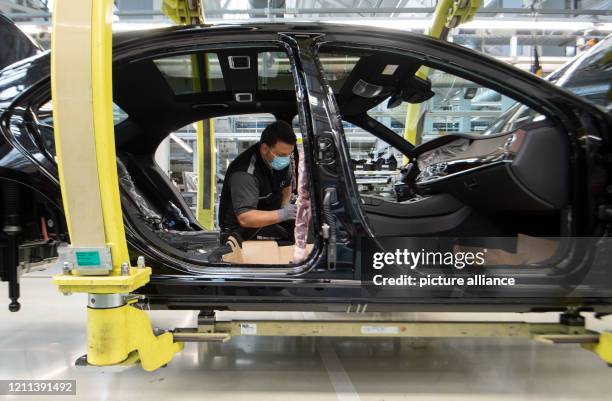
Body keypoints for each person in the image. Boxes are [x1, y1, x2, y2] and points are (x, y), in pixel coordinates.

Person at [219, 120, 297, 242]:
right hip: (240, 232)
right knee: (289, 241)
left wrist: (285, 206)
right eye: (282, 155)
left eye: (289, 154)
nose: (286, 159)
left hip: (268, 221)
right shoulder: (245, 173)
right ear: (265, 148)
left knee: (297, 232)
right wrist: (283, 214)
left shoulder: (283, 160)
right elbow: (246, 218)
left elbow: (286, 187)